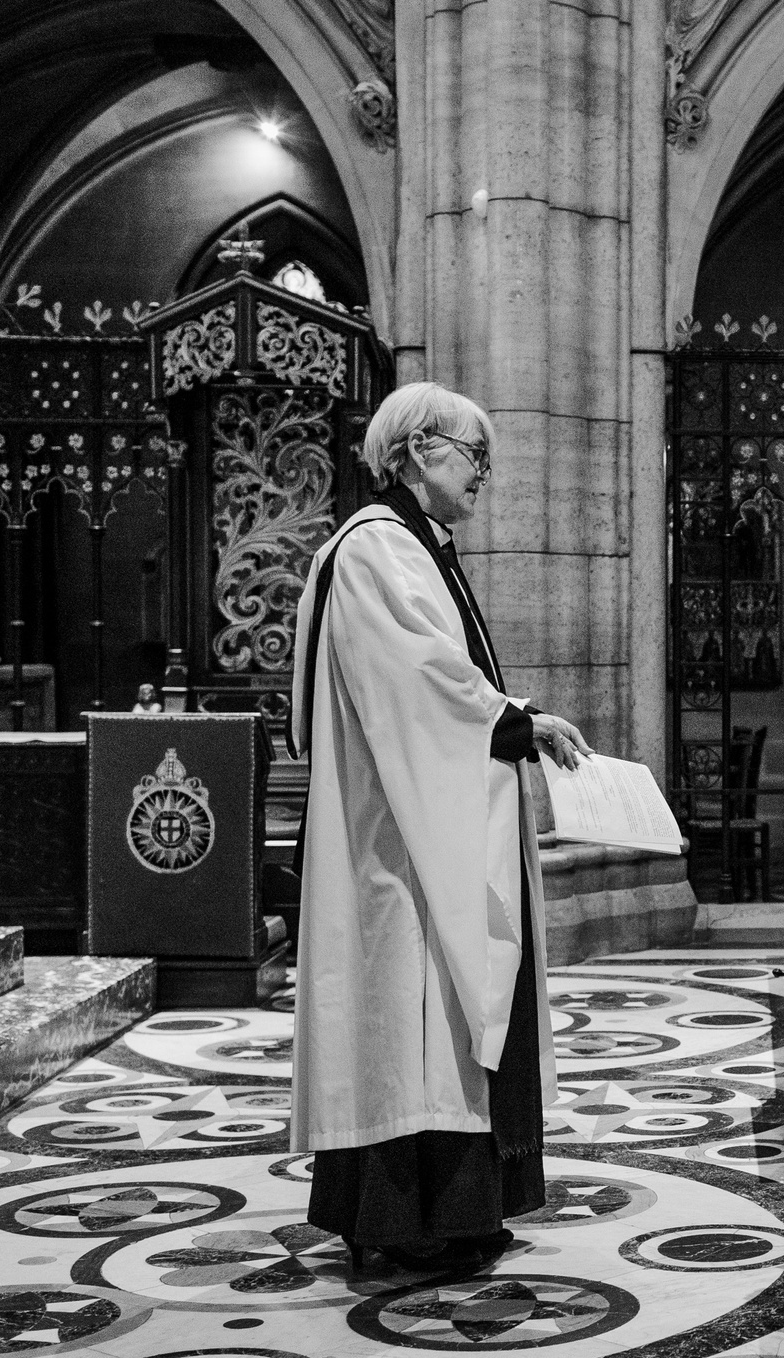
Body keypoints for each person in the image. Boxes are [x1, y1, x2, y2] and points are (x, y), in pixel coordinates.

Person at [287, 380, 593, 1270]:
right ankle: (421, 1221)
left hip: (420, 821)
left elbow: (439, 672)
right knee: (421, 1022)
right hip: (402, 845)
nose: (484, 475)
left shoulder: (413, 545)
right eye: (474, 456)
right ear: (419, 451)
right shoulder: (382, 547)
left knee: (435, 1024)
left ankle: (438, 1213)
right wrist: (510, 723)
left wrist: (507, 715)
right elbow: (412, 682)